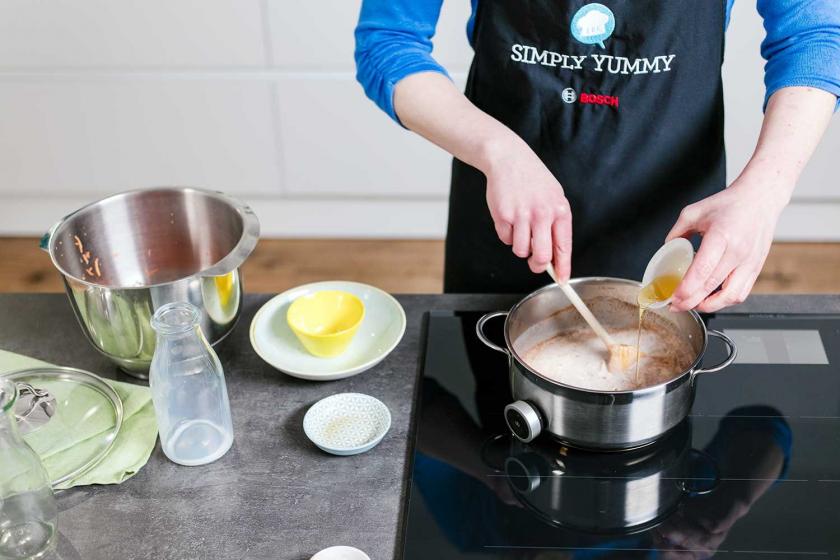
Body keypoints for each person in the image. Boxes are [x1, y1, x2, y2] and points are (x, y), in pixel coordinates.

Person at [355, 0, 839, 310]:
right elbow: (388, 41)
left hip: (670, 223)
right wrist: (498, 150)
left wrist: (763, 193)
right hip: (507, 216)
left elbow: (815, 38)